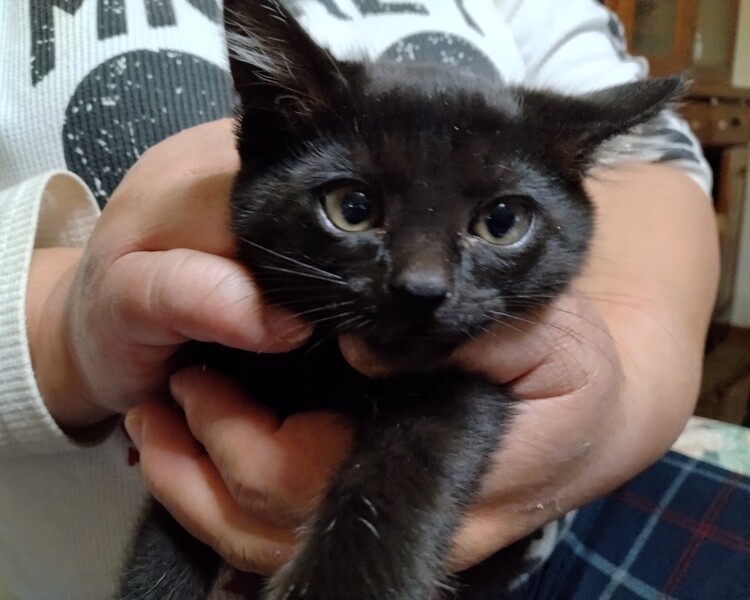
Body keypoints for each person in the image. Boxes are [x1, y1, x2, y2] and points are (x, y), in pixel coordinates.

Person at [0, 1, 727, 599]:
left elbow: (657, 166)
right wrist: (59, 320)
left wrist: (622, 398)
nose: (423, 282)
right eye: (354, 208)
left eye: (500, 222)